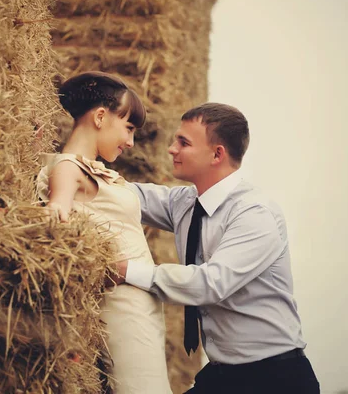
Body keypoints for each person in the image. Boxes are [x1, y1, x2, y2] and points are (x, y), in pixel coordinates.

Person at [113, 103, 320, 393]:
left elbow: (210, 284)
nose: (172, 149)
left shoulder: (254, 213)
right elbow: (122, 194)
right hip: (224, 376)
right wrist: (66, 165)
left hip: (274, 379)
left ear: (217, 154)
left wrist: (127, 271)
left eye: (183, 142)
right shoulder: (184, 203)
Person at [36, 71, 172, 394]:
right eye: (128, 128)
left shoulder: (99, 172)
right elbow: (58, 212)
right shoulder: (69, 167)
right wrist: (55, 213)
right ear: (100, 116)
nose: (130, 142)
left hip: (141, 308)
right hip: (124, 309)